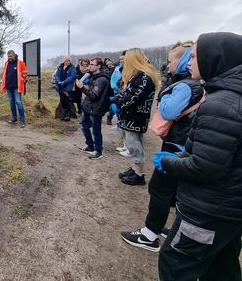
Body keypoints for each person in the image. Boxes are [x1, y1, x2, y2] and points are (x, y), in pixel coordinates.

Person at [154, 32, 242, 280]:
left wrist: (170, 161)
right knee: (221, 268)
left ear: (214, 59)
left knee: (176, 264)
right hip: (231, 208)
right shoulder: (232, 98)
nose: (189, 62)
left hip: (208, 208)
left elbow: (204, 168)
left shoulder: (220, 104)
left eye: (194, 56)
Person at [120, 41, 204, 252]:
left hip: (178, 144)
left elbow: (167, 111)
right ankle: (170, 228)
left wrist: (166, 91)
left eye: (170, 61)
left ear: (182, 60)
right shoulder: (191, 84)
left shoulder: (185, 85)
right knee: (174, 191)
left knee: (159, 188)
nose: (168, 66)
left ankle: (149, 235)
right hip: (182, 141)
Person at [113, 48, 159, 185]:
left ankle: (139, 174)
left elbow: (133, 97)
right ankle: (135, 168)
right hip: (130, 116)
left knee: (134, 144)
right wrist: (118, 97)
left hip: (136, 117)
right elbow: (125, 92)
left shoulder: (144, 77)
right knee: (131, 142)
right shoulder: (137, 75)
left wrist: (118, 101)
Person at [76, 57, 111, 159]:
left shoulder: (101, 79)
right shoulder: (94, 76)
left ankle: (98, 150)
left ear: (98, 66)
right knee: (84, 127)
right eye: (89, 64)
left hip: (95, 109)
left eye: (92, 64)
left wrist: (82, 88)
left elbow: (94, 95)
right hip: (88, 107)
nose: (89, 66)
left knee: (96, 130)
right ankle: (90, 146)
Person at [0, 49, 28, 127]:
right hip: (9, 87)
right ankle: (14, 118)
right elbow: (5, 73)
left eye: (11, 56)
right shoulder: (6, 63)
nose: (9, 57)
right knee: (11, 103)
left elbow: (25, 73)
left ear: (14, 55)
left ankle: (22, 120)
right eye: (8, 56)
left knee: (18, 102)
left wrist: (23, 79)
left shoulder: (20, 63)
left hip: (17, 87)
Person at [53, 56, 77, 121]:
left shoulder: (72, 68)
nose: (68, 62)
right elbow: (57, 75)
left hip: (67, 87)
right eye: (66, 61)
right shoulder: (60, 67)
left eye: (69, 61)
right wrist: (58, 81)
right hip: (60, 86)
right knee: (62, 100)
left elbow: (72, 76)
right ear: (63, 61)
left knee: (67, 101)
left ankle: (68, 115)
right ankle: (62, 115)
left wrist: (64, 82)